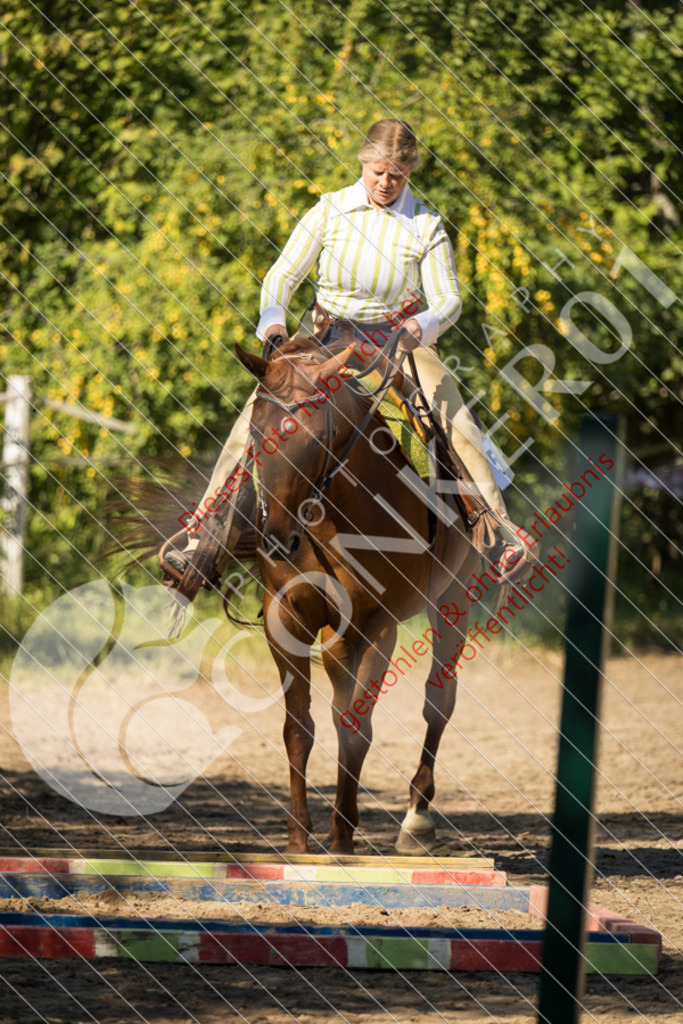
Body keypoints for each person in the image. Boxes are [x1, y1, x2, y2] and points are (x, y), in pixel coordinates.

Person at [162, 118, 534, 583]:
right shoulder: (329, 210)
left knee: (456, 421)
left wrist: (422, 324)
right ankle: (199, 539)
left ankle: (496, 533)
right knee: (253, 421)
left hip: (396, 342)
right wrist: (273, 321)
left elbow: (449, 299)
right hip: (324, 338)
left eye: (396, 175)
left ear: (409, 174)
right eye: (378, 172)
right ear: (363, 162)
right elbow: (281, 275)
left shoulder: (426, 225)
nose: (385, 183)